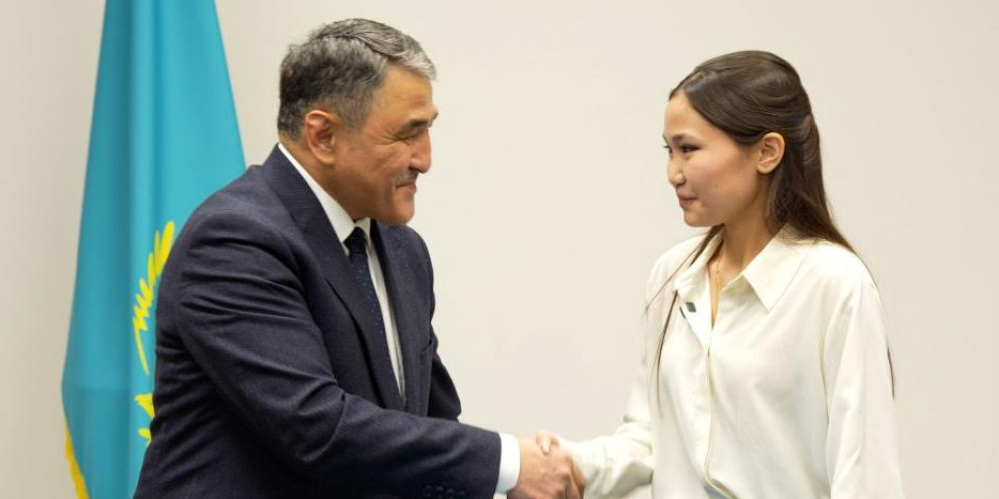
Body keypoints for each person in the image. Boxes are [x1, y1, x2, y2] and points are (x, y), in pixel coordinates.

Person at [134, 19, 582, 499]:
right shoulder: (235, 240)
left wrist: (509, 480)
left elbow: (431, 426)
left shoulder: (403, 250)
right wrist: (509, 464)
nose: (425, 159)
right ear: (323, 135)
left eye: (428, 129)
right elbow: (317, 426)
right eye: (407, 134)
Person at [536, 51, 905, 499]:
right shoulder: (674, 274)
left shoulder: (835, 283)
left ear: (767, 152)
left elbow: (865, 473)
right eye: (669, 150)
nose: (673, 173)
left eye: (689, 149)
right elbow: (651, 442)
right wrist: (562, 463)